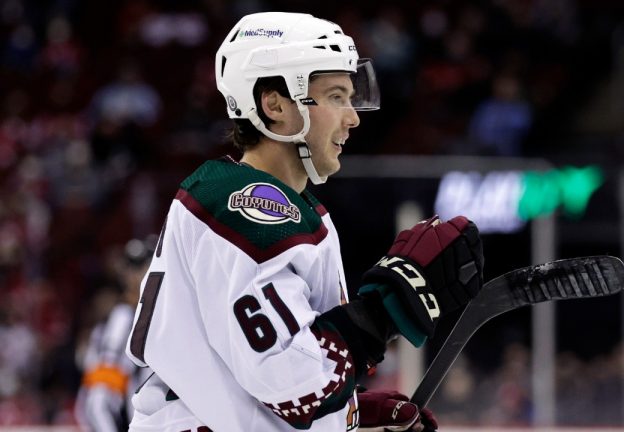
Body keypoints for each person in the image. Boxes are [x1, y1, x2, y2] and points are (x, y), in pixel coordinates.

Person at [124, 12, 484, 431]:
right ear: (275, 105)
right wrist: (384, 310)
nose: (353, 117)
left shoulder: (279, 206)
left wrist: (349, 414)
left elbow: (269, 377)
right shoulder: (246, 206)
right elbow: (294, 383)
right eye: (335, 96)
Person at [77, 236, 156, 431]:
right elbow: (98, 401)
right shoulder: (123, 319)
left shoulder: (157, 317)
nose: (135, 275)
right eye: (134, 268)